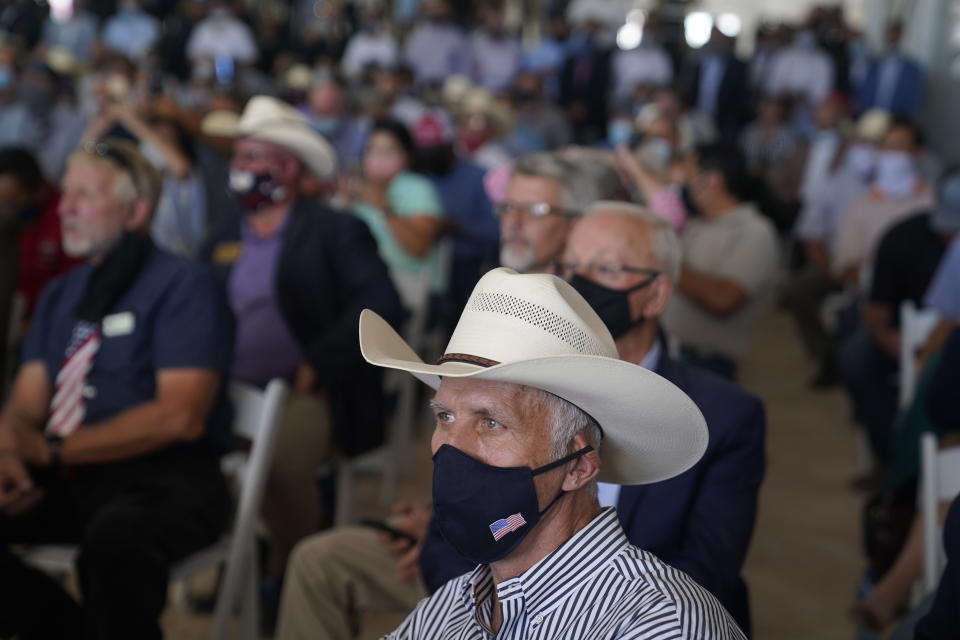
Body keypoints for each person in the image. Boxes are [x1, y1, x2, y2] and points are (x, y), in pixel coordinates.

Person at [358, 267, 746, 638]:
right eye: (445, 416)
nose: (450, 447)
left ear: (578, 464)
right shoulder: (446, 609)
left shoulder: (656, 626)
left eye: (491, 423)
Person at [0, 138, 233, 639]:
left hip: (166, 480)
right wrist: (11, 456)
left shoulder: (183, 284)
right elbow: (24, 403)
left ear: (135, 211)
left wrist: (54, 449)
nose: (64, 209)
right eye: (65, 195)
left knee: (114, 547)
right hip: (71, 476)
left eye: (84, 196)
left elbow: (180, 416)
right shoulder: (62, 293)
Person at [201, 96, 404, 586]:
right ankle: (236, 560)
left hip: (307, 389)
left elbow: (380, 302)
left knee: (281, 460)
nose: (241, 169)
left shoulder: (334, 230)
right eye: (239, 157)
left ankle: (291, 572)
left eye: (254, 158)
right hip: (226, 384)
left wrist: (320, 361)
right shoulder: (228, 229)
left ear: (288, 168)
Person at [839, 169, 960, 466]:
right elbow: (876, 309)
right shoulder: (902, 237)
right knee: (858, 360)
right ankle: (891, 464)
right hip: (903, 336)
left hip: (940, 344)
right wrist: (896, 344)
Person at [780, 109, 890, 387]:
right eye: (864, 141)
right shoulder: (835, 182)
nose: (868, 149)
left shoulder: (904, 188)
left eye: (877, 143)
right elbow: (812, 236)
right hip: (836, 267)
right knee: (796, 292)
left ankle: (862, 371)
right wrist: (833, 270)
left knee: (863, 314)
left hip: (887, 276)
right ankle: (828, 357)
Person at [662, 142, 779, 380]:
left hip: (705, 364)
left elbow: (724, 299)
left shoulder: (755, 232)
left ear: (713, 181)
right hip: (673, 353)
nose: (684, 184)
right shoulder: (697, 224)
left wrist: (665, 260)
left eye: (691, 175)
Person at [343, 118, 446, 313]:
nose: (378, 156)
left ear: (406, 155)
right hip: (358, 284)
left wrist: (383, 208)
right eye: (371, 149)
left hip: (405, 286)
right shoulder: (355, 189)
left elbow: (418, 247)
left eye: (388, 150)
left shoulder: (417, 187)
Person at [831, 120, 934, 289]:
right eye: (886, 146)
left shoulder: (933, 203)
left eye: (899, 146)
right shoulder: (860, 206)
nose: (891, 154)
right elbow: (848, 266)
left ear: (918, 152)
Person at [496, 151, 606, 275]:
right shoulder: (486, 284)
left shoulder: (584, 293)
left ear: (575, 222)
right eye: (509, 208)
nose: (514, 223)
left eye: (535, 211)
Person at [857, 21, 925, 119]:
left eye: (895, 35)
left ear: (901, 36)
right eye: (889, 34)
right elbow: (862, 91)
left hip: (898, 119)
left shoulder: (913, 69)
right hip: (869, 117)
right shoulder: (872, 64)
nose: (892, 38)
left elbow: (914, 100)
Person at [300, 74, 369, 169]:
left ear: (342, 95)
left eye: (331, 90)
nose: (326, 95)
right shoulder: (296, 118)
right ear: (310, 95)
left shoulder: (357, 130)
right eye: (320, 90)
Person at [403, 0, 471, 86]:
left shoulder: (458, 39)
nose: (433, 6)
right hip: (418, 91)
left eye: (438, 3)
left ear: (448, 6)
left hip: (447, 93)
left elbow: (464, 77)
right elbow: (407, 68)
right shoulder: (417, 35)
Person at [186, 0, 259, 67]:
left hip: (238, 71)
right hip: (207, 70)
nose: (219, 10)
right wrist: (210, 60)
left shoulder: (240, 28)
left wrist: (233, 62)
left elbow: (252, 56)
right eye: (216, 4)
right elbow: (191, 54)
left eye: (222, 4)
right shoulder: (201, 28)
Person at [468, 5, 522, 93]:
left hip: (508, 94)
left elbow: (518, 73)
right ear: (486, 21)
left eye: (499, 20)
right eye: (492, 19)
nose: (496, 23)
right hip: (481, 92)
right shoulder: (476, 43)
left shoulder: (514, 46)